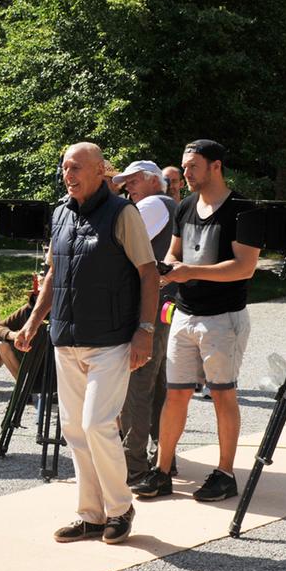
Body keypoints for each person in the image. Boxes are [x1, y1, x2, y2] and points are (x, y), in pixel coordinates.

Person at [15, 142, 157, 545]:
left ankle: (120, 508)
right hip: (66, 339)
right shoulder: (60, 214)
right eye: (64, 168)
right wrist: (33, 322)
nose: (68, 174)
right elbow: (53, 275)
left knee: (97, 425)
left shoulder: (122, 212)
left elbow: (148, 273)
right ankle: (92, 515)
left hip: (111, 339)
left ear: (101, 171)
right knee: (74, 429)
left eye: (76, 167)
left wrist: (144, 330)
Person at [133, 139, 260, 502]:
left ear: (216, 166)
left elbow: (245, 266)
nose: (184, 174)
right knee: (175, 396)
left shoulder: (243, 209)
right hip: (184, 315)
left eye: (193, 167)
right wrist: (168, 268)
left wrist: (190, 270)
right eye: (184, 166)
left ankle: (225, 473)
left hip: (224, 318)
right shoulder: (185, 206)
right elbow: (174, 251)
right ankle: (161, 471)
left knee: (223, 395)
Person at [111, 160, 177, 484]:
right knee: (156, 382)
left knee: (137, 383)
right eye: (126, 182)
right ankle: (163, 457)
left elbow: (118, 248)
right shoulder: (167, 204)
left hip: (146, 307)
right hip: (163, 305)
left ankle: (132, 464)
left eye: (134, 180)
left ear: (152, 181)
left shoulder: (152, 204)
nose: (128, 187)